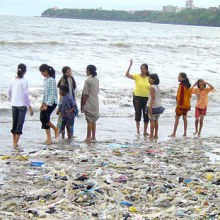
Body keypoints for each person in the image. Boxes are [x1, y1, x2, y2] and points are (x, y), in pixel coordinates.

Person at [8, 64, 33, 147]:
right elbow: (26, 95)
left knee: (14, 124)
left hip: (14, 105)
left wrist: (11, 99)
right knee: (19, 124)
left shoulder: (12, 79)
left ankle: (13, 142)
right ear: (25, 71)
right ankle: (15, 143)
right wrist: (29, 106)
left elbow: (9, 92)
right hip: (22, 105)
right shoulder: (24, 81)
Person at [125, 59, 150, 136]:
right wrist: (130, 65)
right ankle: (138, 131)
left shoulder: (149, 78)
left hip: (146, 98)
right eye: (141, 68)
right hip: (137, 97)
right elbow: (127, 75)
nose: (142, 70)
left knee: (146, 115)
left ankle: (145, 131)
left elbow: (153, 86)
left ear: (146, 69)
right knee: (138, 113)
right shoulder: (137, 76)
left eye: (144, 68)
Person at [39, 64, 59, 145]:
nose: (41, 74)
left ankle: (55, 129)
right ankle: (49, 138)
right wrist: (43, 103)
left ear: (46, 71)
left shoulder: (52, 80)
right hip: (46, 101)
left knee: (45, 118)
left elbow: (52, 93)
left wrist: (47, 105)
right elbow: (45, 93)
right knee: (42, 118)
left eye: (42, 72)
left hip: (52, 102)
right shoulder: (45, 80)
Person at [81, 65, 99, 143]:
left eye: (86, 70)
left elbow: (86, 94)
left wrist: (82, 104)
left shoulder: (88, 80)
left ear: (89, 71)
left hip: (89, 101)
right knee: (93, 120)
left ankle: (88, 137)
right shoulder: (96, 80)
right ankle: (93, 137)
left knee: (89, 121)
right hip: (95, 101)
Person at [57, 66, 78, 136]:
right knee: (62, 117)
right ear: (64, 73)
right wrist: (60, 105)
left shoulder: (71, 79)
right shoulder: (63, 79)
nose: (69, 73)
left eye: (70, 71)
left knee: (70, 117)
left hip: (71, 100)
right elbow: (62, 91)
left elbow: (73, 89)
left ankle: (70, 134)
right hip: (64, 101)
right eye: (67, 72)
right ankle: (59, 133)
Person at [170, 72, 192, 137]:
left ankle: (174, 133)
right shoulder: (188, 86)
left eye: (180, 77)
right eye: (178, 77)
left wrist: (178, 103)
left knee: (177, 118)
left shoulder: (182, 85)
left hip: (181, 105)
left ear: (183, 78)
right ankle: (185, 133)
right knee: (185, 118)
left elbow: (181, 96)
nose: (178, 78)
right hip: (187, 105)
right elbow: (189, 95)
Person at [148, 74, 164, 141]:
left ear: (153, 80)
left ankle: (151, 135)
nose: (148, 79)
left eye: (150, 78)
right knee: (156, 120)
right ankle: (156, 134)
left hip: (154, 106)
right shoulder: (157, 86)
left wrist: (150, 107)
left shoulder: (152, 87)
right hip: (159, 106)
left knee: (151, 120)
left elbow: (152, 97)